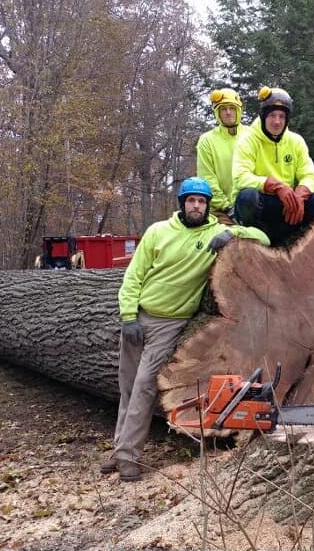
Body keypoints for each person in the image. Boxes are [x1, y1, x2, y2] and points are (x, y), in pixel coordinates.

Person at [101, 177, 269, 481]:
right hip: (139, 316)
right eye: (191, 200)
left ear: (207, 207)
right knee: (126, 386)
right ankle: (119, 449)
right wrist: (128, 317)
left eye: (202, 202)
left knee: (143, 386)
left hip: (170, 323)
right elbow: (133, 277)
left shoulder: (213, 232)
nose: (196, 206)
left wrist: (232, 231)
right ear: (182, 203)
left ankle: (128, 457)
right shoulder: (158, 232)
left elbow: (262, 237)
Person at [233, 86, 314, 245]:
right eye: (272, 115)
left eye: (282, 116)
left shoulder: (296, 141)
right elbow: (240, 177)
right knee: (247, 197)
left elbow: (310, 175)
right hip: (261, 203)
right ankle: (251, 240)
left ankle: (293, 240)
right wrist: (275, 186)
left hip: (286, 206)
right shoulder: (247, 140)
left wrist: (300, 194)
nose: (277, 121)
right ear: (263, 116)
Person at [196, 88, 243, 224]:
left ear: (238, 110)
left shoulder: (252, 135)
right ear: (217, 113)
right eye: (223, 109)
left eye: (232, 108)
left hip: (251, 206)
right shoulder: (207, 140)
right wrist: (228, 208)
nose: (228, 112)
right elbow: (207, 178)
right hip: (220, 212)